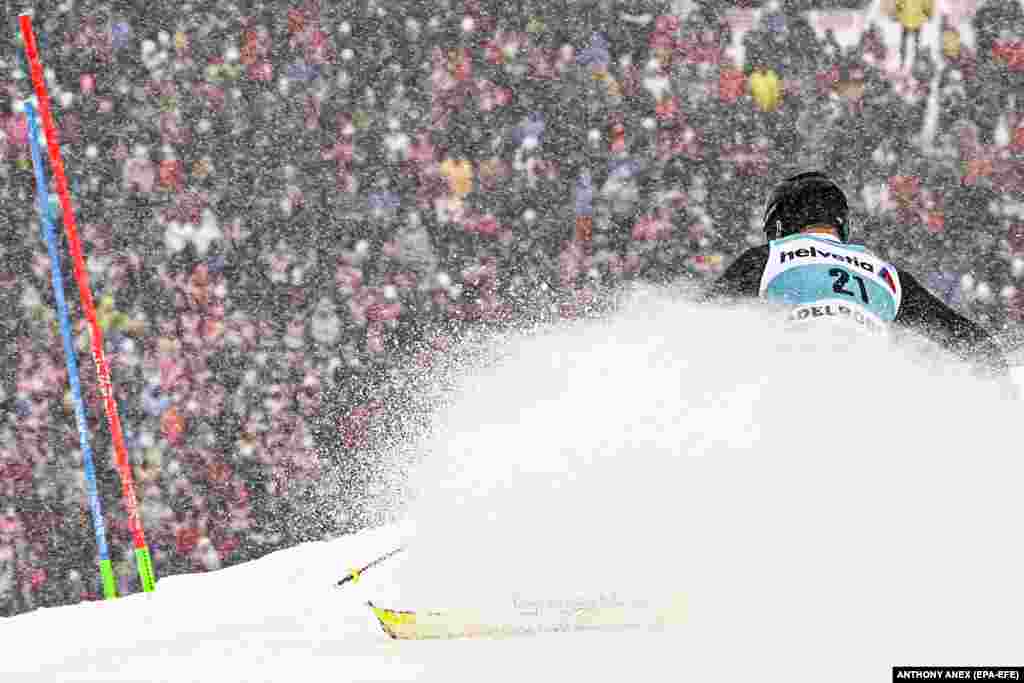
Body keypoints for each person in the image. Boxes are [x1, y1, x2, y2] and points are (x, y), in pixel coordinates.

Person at [701, 171, 1010, 382]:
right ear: (841, 223)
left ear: (779, 225)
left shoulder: (768, 257)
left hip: (791, 374)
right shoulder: (888, 275)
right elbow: (975, 343)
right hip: (868, 383)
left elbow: (703, 326)